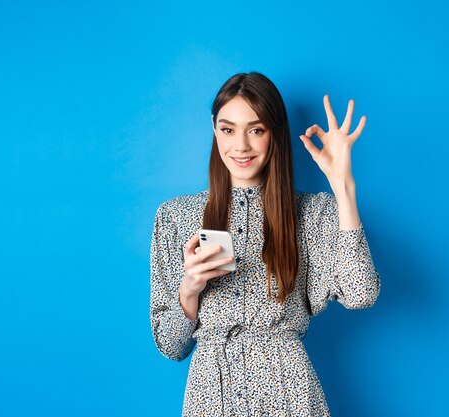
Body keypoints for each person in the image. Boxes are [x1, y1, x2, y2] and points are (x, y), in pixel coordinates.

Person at [150, 71, 381, 416]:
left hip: (290, 395)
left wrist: (343, 188)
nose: (240, 146)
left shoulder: (313, 214)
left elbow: (361, 293)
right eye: (228, 129)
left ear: (275, 134)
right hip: (211, 398)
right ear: (215, 130)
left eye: (256, 130)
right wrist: (190, 289)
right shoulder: (175, 217)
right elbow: (171, 346)